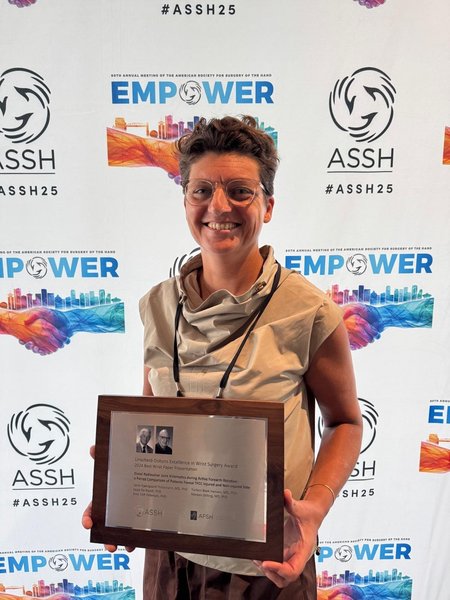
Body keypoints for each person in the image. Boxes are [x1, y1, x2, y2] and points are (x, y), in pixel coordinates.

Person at [84, 115, 362, 599]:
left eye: (239, 191)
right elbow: (155, 419)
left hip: (266, 564)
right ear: (185, 201)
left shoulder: (310, 311)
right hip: (170, 556)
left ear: (268, 205)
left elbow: (345, 422)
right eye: (201, 191)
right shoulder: (157, 305)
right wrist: (124, 492)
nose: (218, 206)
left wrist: (314, 511)